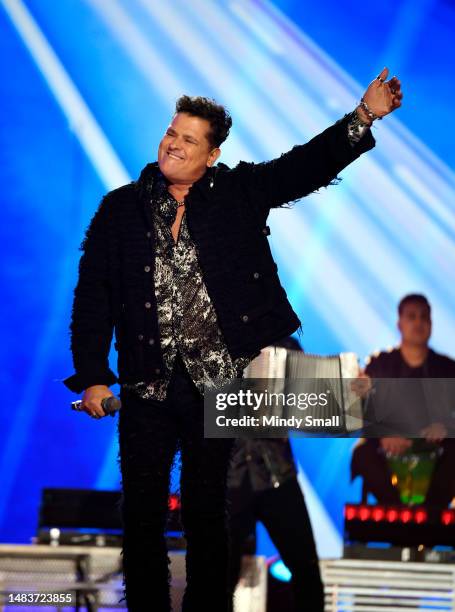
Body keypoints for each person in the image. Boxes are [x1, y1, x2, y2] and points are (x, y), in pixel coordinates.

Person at [64, 69, 402, 611]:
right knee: (143, 517)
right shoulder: (119, 210)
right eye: (171, 133)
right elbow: (93, 300)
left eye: (189, 139)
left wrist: (361, 117)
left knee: (206, 515)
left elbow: (302, 168)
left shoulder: (236, 195)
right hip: (146, 385)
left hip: (216, 387)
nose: (173, 144)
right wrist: (95, 376)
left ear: (212, 154)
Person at [228, 337, 324, 611]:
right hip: (227, 476)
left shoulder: (286, 345)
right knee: (217, 575)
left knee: (306, 571)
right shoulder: (212, 336)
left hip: (276, 472)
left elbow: (316, 402)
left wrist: (351, 390)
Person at [351, 294, 455, 507]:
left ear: (431, 323)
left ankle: (429, 518)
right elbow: (359, 408)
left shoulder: (447, 368)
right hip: (387, 450)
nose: (419, 322)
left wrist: (445, 426)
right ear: (399, 323)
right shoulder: (378, 364)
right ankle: (398, 514)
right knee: (363, 453)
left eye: (424, 317)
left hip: (437, 449)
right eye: (412, 316)